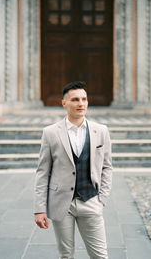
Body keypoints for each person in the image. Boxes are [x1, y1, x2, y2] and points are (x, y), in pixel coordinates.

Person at [34, 81, 112, 259]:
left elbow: (107, 166)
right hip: (62, 204)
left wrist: (103, 198)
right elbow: (42, 172)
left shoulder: (101, 131)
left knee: (100, 255)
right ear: (64, 103)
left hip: (91, 200)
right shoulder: (50, 132)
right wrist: (39, 208)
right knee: (66, 255)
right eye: (75, 99)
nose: (81, 103)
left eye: (84, 99)